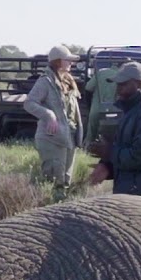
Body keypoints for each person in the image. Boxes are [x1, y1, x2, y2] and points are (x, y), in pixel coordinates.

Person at [88, 62, 141, 201]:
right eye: (118, 85)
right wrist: (108, 166)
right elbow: (128, 151)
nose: (118, 89)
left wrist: (110, 153)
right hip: (135, 196)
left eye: (123, 84)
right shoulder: (133, 112)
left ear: (140, 84)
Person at [24, 45, 85, 194]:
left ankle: (61, 208)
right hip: (51, 138)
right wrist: (48, 114)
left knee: (65, 180)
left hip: (68, 136)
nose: (71, 63)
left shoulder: (68, 81)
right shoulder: (45, 81)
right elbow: (29, 103)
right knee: (53, 180)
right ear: (58, 61)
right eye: (68, 60)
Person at [84, 64, 119, 147]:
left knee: (91, 134)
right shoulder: (121, 77)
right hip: (113, 111)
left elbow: (88, 87)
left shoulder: (100, 73)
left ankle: (87, 147)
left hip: (96, 108)